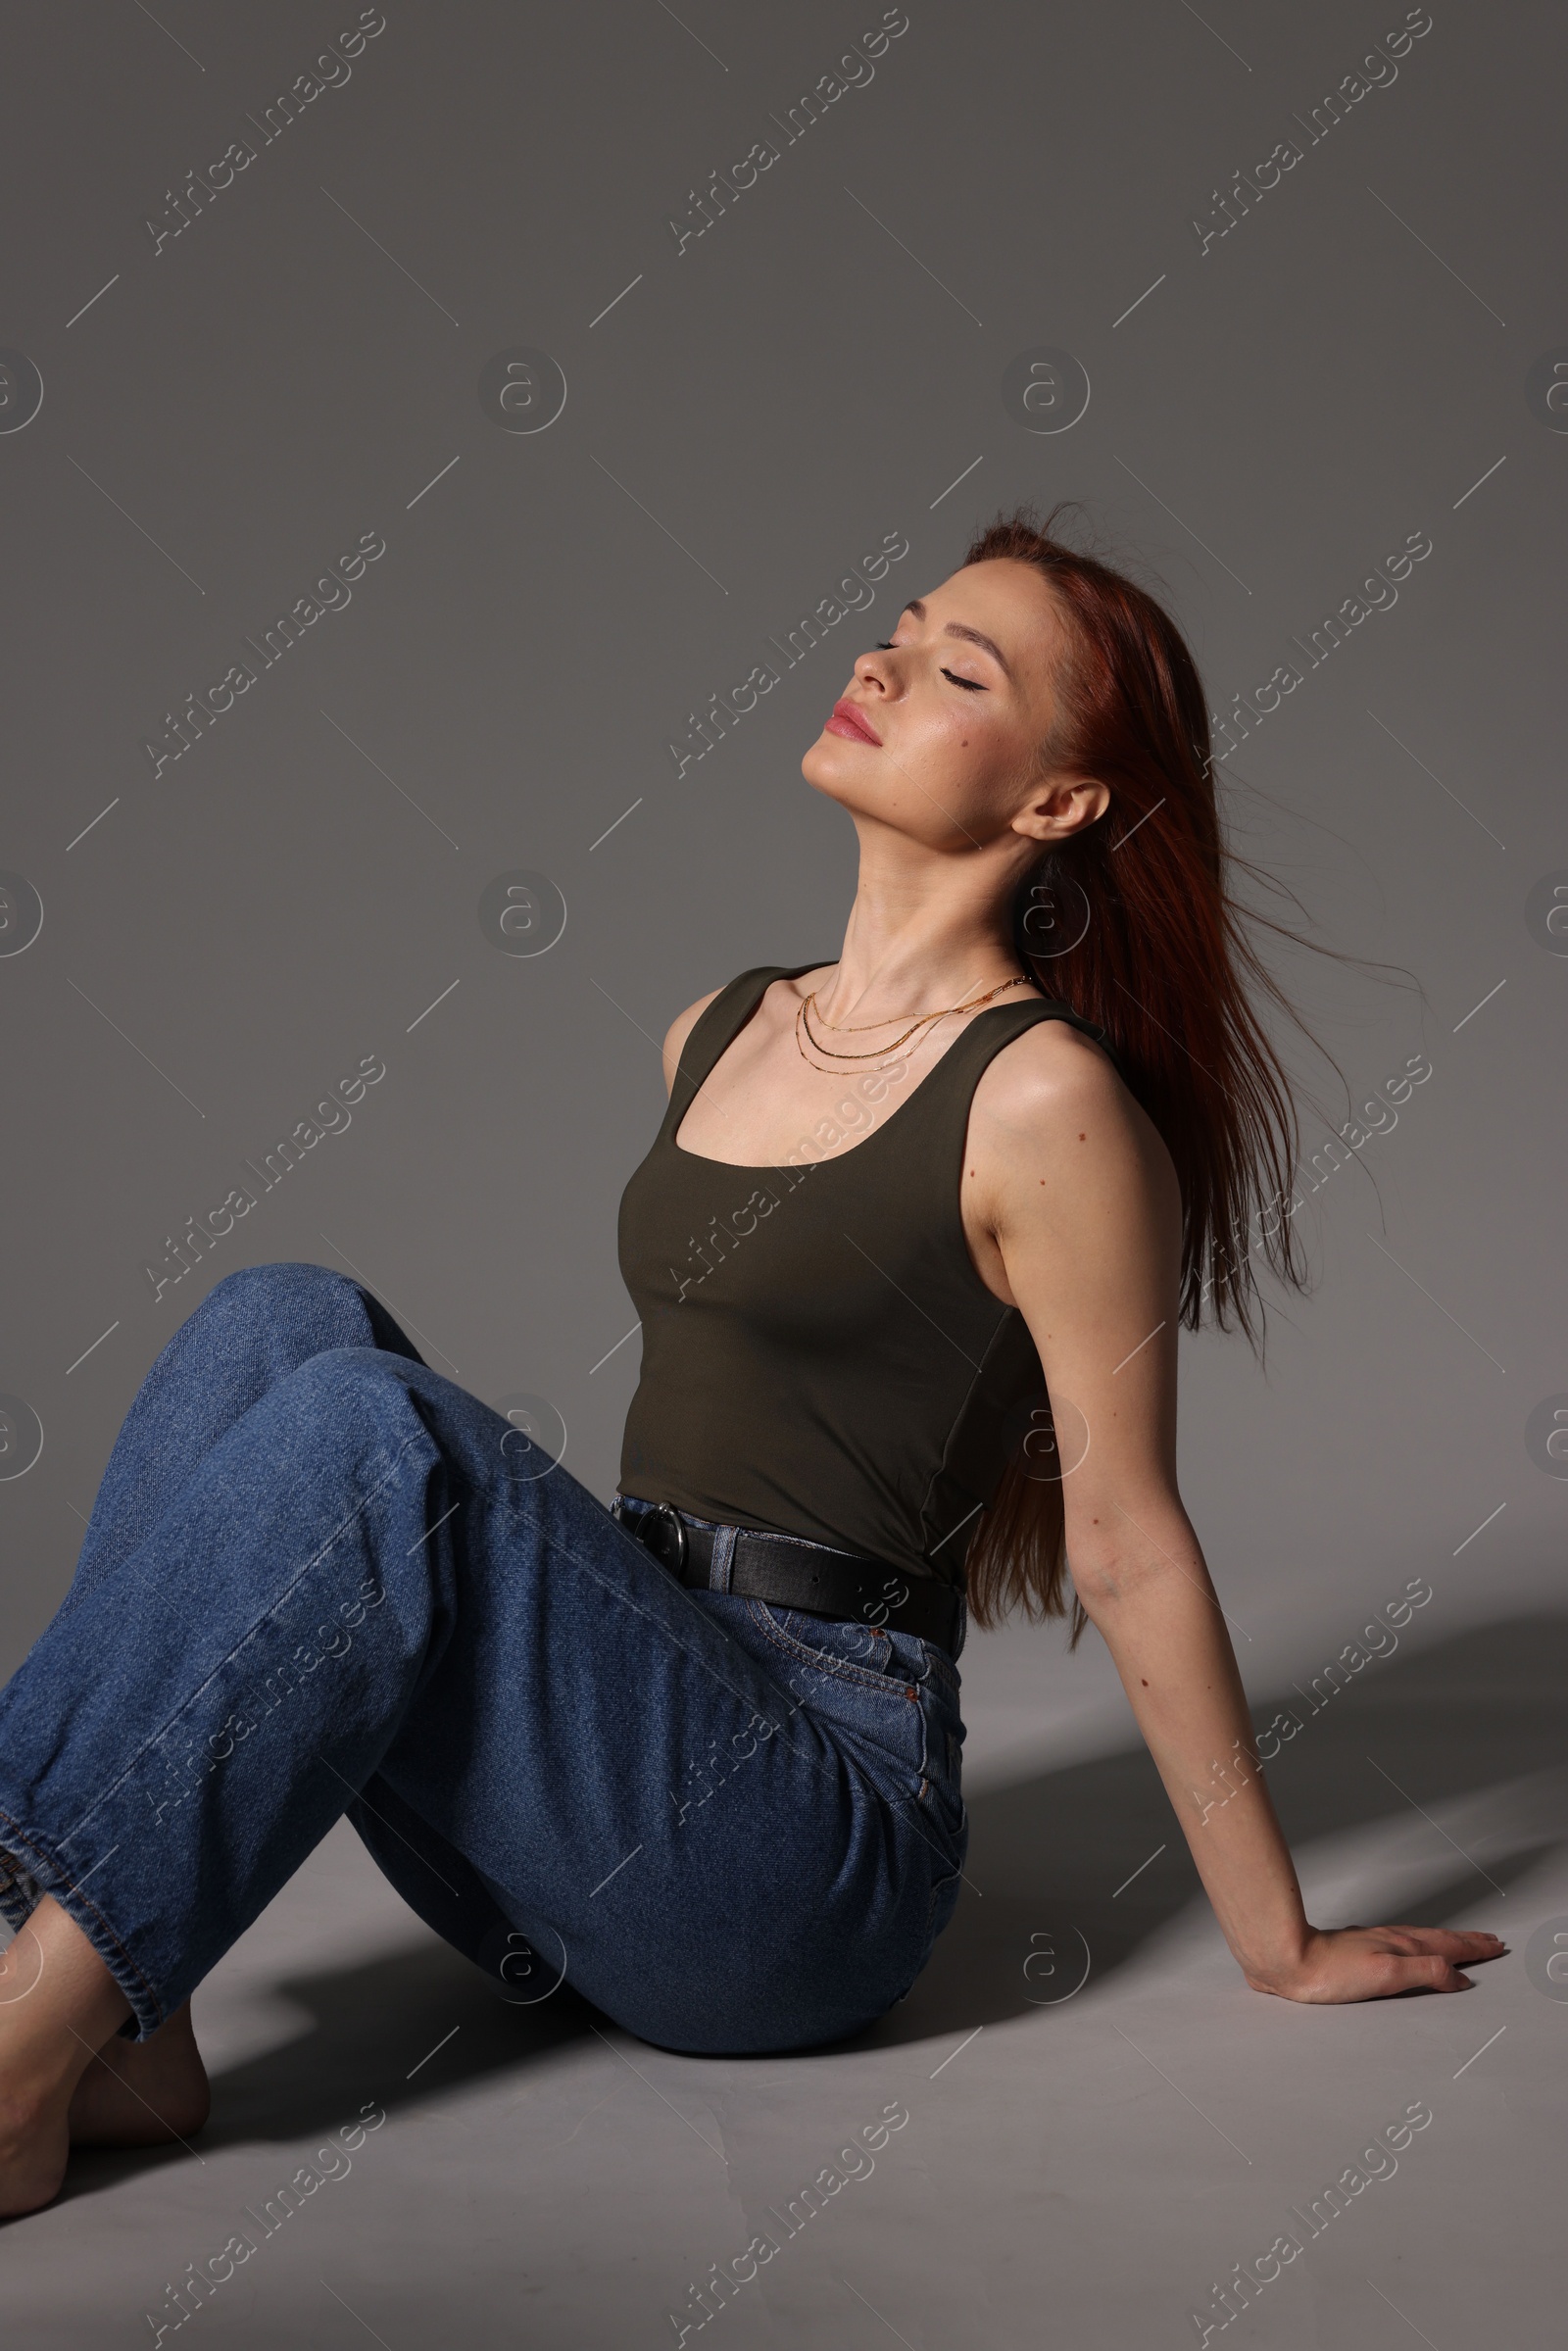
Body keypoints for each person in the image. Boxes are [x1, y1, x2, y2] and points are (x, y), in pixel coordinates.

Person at [0, 507, 1501, 2217]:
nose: (881, 660)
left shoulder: (1044, 1104)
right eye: (902, 624)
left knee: (371, 1433)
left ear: (1057, 803)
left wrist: (1280, 1942)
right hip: (601, 1784)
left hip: (796, 1857)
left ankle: (14, 2059)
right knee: (278, 1320)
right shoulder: (717, 1026)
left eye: (957, 669)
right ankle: (121, 2016)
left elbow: (1129, 1538)